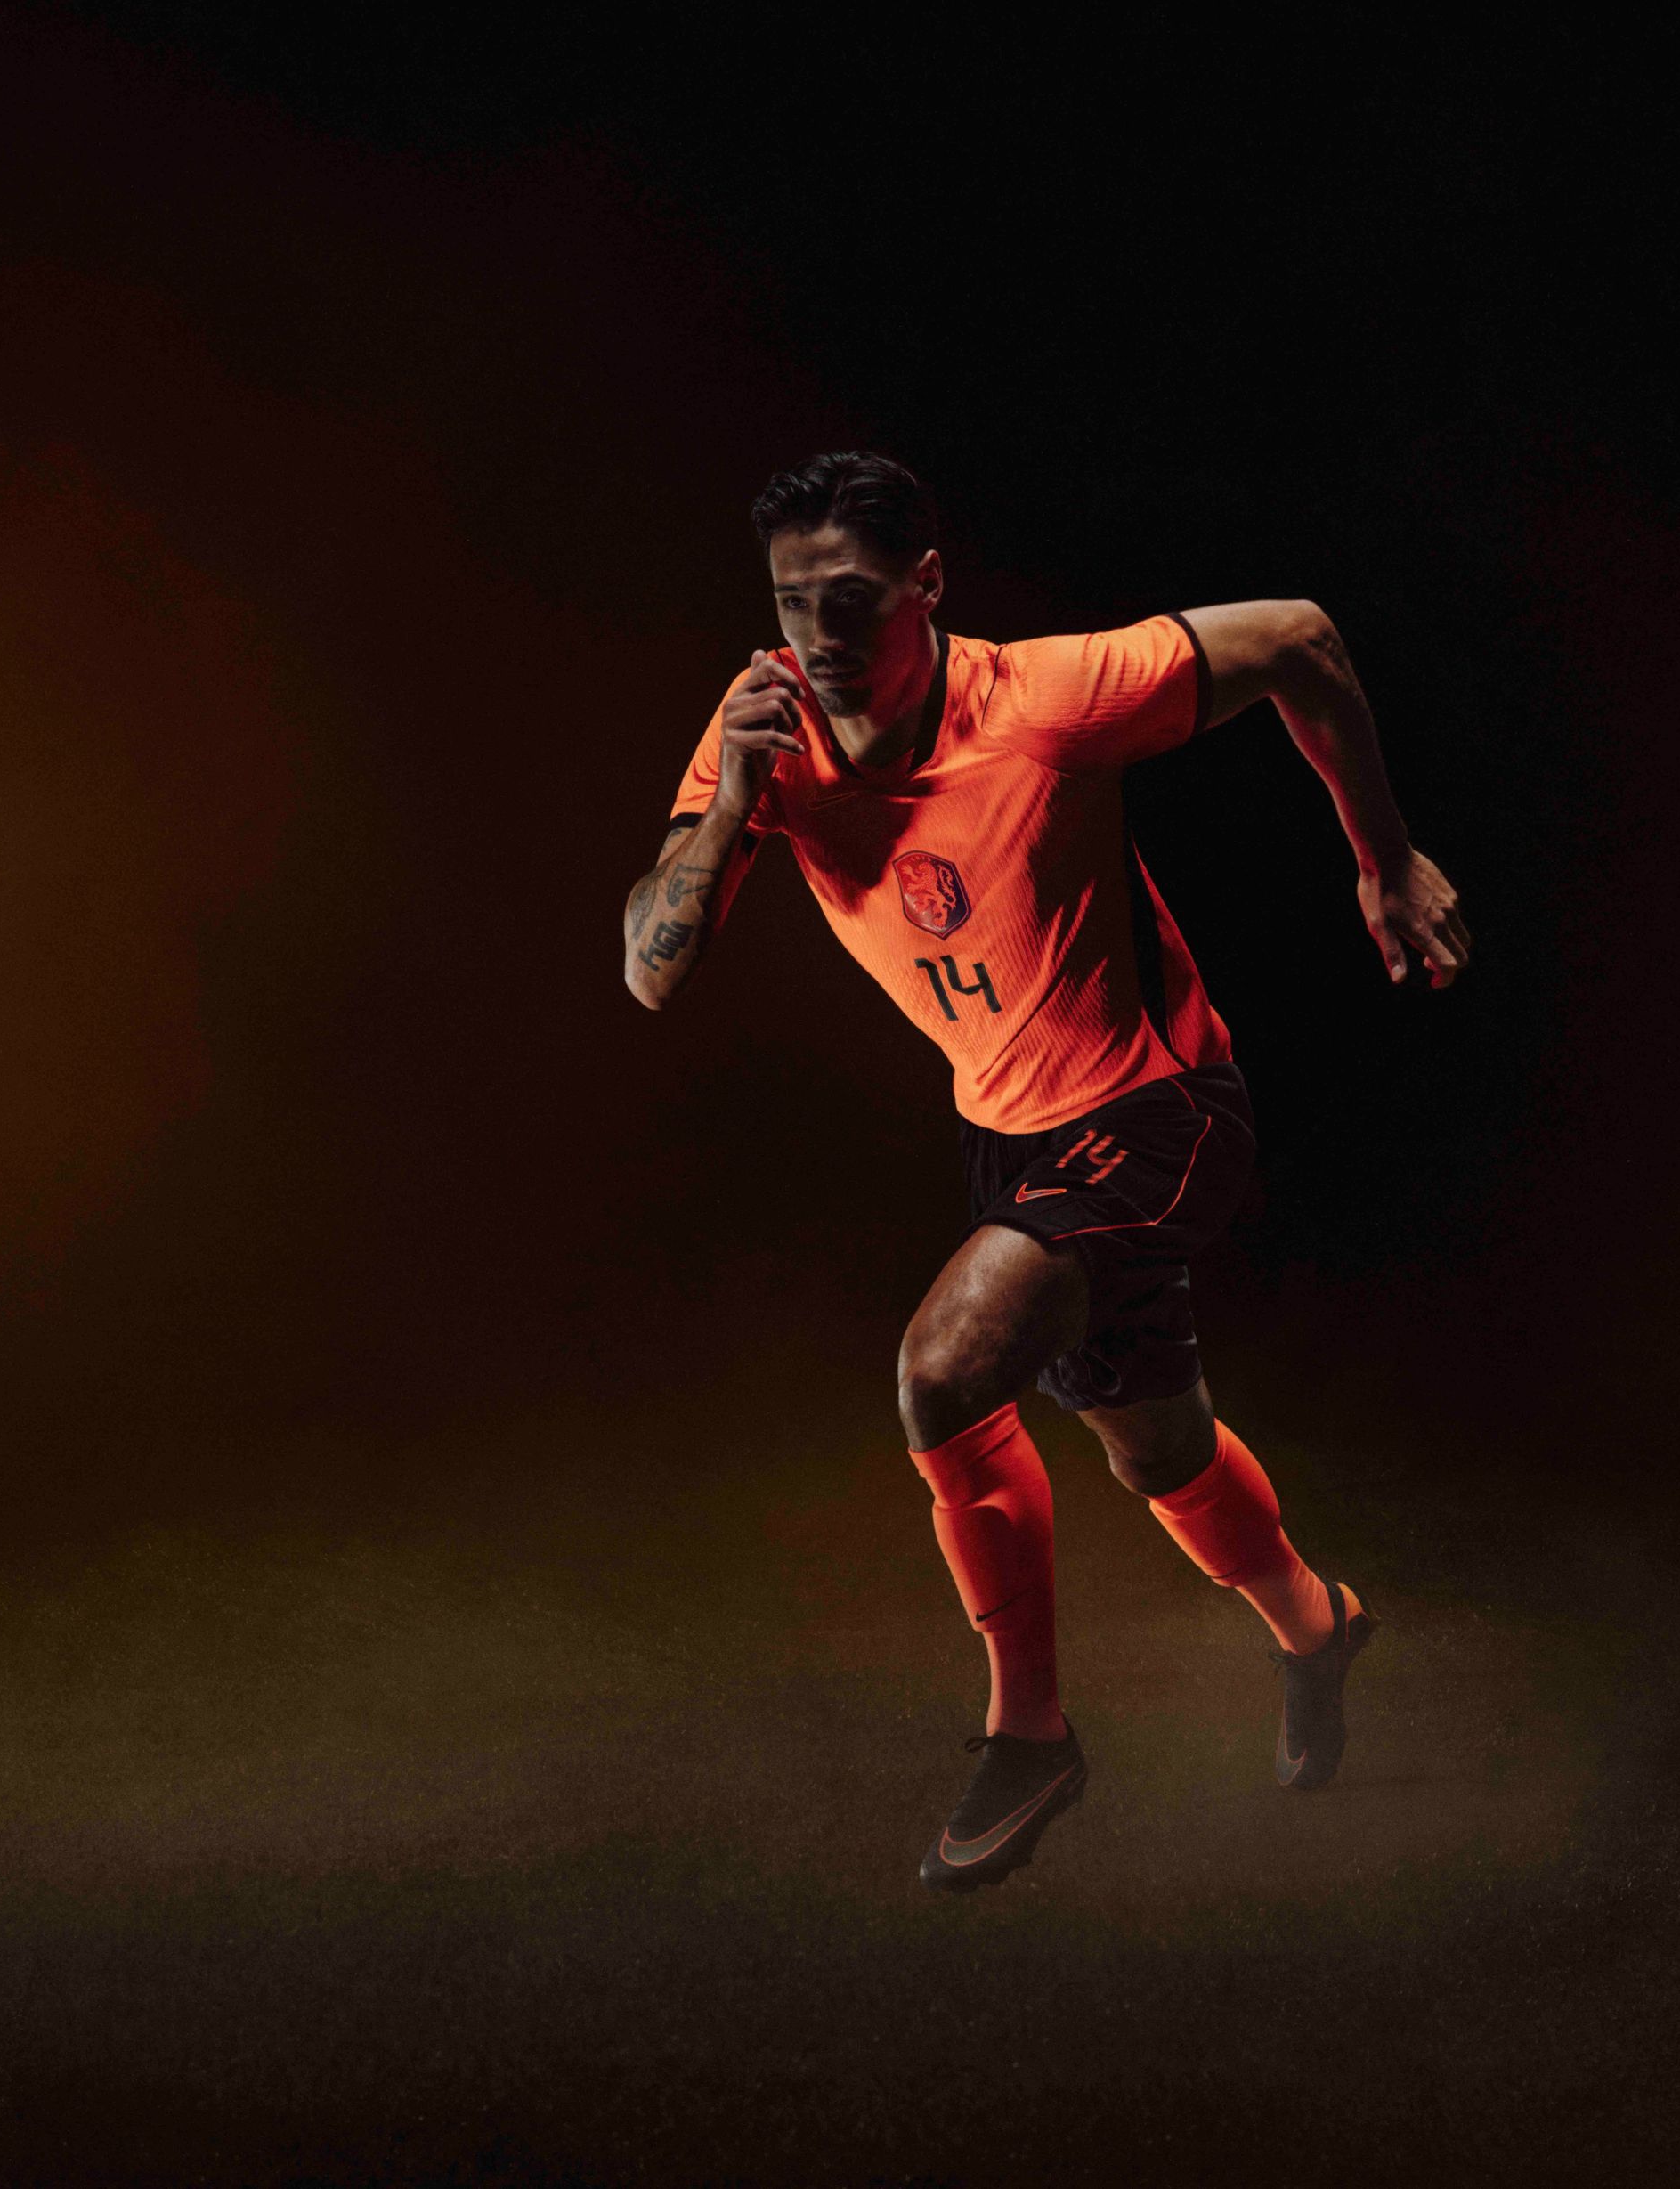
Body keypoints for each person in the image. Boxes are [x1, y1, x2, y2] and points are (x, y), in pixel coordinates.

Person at [623, 452, 1470, 1892]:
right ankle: (1317, 1624)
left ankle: (1031, 1735)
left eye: (852, 599)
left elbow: (1301, 638)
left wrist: (1382, 859)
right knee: (1157, 1448)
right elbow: (651, 971)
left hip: (1158, 1105)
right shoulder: (760, 722)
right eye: (791, 601)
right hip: (1011, 1134)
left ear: (926, 586)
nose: (820, 634)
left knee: (944, 1368)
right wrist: (726, 810)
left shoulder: (1040, 701)